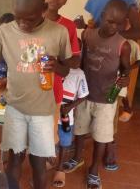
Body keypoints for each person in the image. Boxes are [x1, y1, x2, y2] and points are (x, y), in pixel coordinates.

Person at [0, 0, 72, 189]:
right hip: (15, 109)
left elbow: (67, 69)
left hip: (43, 112)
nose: (23, 24)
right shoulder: (4, 32)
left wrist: (57, 67)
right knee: (14, 160)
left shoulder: (58, 32)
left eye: (30, 19)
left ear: (44, 9)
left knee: (38, 163)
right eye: (18, 18)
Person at [64, 0, 131, 189]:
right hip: (85, 94)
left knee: (101, 136)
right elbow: (81, 62)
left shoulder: (122, 45)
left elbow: (126, 69)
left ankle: (94, 170)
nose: (113, 26)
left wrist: (125, 78)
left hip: (106, 98)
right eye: (110, 21)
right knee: (79, 129)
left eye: (118, 23)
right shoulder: (87, 35)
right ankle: (77, 158)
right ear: (102, 16)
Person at [44, 0, 81, 152]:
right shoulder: (29, 19)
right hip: (26, 90)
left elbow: (74, 61)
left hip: (53, 90)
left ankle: (43, 166)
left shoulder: (68, 27)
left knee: (48, 135)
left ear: (65, 0)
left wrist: (58, 62)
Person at [52, 40, 89, 187]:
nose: (74, 58)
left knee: (65, 142)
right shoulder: (53, 69)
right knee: (47, 139)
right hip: (49, 114)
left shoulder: (79, 74)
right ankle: (44, 166)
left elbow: (84, 95)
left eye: (76, 55)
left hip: (66, 116)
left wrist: (70, 107)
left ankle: (60, 168)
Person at [118, 39, 140, 122]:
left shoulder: (133, 44)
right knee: (119, 93)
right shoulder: (113, 39)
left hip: (123, 73)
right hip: (110, 72)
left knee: (122, 92)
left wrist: (129, 68)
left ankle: (127, 109)